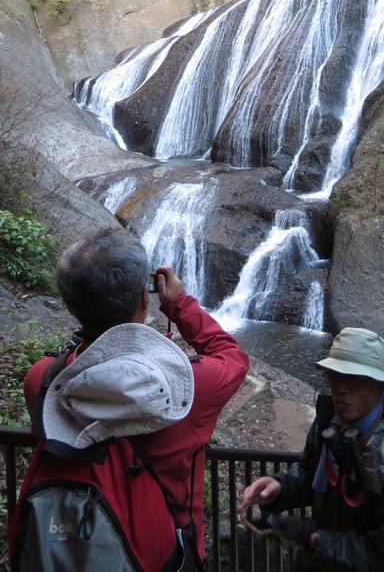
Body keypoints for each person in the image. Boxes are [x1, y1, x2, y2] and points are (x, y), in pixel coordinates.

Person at [14, 226, 249, 567]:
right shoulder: (186, 388)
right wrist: (180, 305)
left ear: (69, 303)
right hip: (164, 557)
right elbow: (232, 357)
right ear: (144, 299)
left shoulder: (42, 380)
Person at [241, 327, 384, 571]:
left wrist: (315, 539)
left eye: (356, 378)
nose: (341, 388)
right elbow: (311, 471)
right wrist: (281, 487)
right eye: (334, 374)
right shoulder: (330, 420)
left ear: (381, 387)